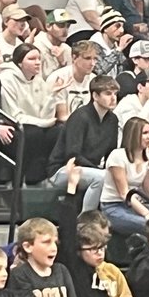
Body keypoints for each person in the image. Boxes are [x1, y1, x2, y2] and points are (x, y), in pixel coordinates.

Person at [0, 43, 68, 185]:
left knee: (59, 131)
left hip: (35, 124)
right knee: (33, 134)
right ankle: (24, 181)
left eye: (39, 58)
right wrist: (44, 123)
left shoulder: (38, 79)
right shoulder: (7, 78)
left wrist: (52, 95)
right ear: (19, 62)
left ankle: (50, 177)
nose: (37, 62)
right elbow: (14, 115)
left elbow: (45, 116)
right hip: (10, 127)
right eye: (32, 59)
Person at [46, 75, 120, 214]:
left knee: (115, 176)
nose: (113, 98)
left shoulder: (113, 119)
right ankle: (86, 220)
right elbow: (73, 155)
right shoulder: (80, 116)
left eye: (115, 94)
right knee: (102, 178)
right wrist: (101, 170)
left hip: (91, 169)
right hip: (63, 169)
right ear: (95, 96)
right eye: (108, 94)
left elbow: (111, 152)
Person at [101, 119, 149, 237]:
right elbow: (124, 193)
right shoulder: (117, 155)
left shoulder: (148, 156)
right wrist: (147, 214)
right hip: (113, 206)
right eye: (144, 133)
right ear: (133, 134)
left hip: (135, 204)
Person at [90, 9, 133, 79]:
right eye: (117, 26)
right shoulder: (92, 46)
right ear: (105, 28)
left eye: (122, 26)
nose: (122, 30)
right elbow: (99, 71)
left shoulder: (115, 46)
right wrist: (118, 50)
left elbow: (123, 72)